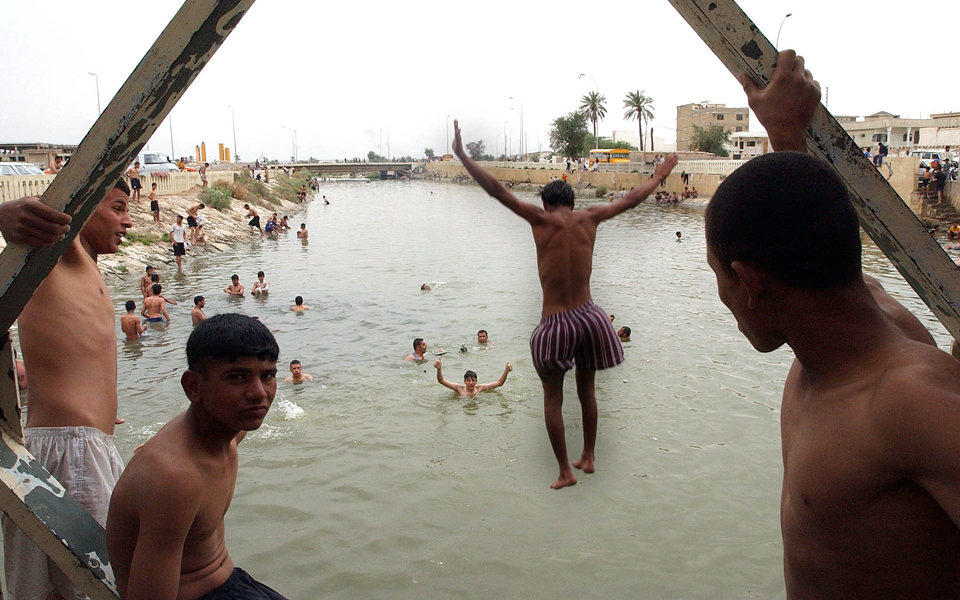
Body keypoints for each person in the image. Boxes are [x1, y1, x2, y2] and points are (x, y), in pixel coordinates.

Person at [708, 49, 960, 597]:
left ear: (750, 281)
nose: (723, 301)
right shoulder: (848, 313)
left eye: (719, 279)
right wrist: (785, 133)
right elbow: (805, 215)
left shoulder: (907, 401)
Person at [454, 120, 678, 489]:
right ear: (573, 204)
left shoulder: (539, 219)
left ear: (545, 203)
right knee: (586, 389)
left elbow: (496, 190)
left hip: (557, 320)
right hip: (591, 317)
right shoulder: (590, 217)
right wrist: (658, 176)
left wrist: (463, 155)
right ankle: (588, 455)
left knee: (553, 398)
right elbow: (632, 198)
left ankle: (564, 470)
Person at [0, 181, 132, 599]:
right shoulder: (61, 249)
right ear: (86, 208)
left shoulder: (89, 265)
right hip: (70, 448)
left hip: (83, 443)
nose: (128, 221)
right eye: (117, 207)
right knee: (93, 588)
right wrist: (4, 213)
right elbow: (44, 210)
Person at [106, 314, 288, 600]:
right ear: (193, 387)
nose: (258, 393)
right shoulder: (176, 478)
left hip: (233, 581)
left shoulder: (226, 431)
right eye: (237, 378)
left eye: (267, 375)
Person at [433, 358, 512, 397]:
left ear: (476, 381)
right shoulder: (459, 388)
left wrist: (506, 371)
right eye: (469, 380)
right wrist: (439, 369)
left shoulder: (479, 388)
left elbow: (499, 383)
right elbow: (441, 381)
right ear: (465, 381)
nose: (471, 383)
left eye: (473, 380)